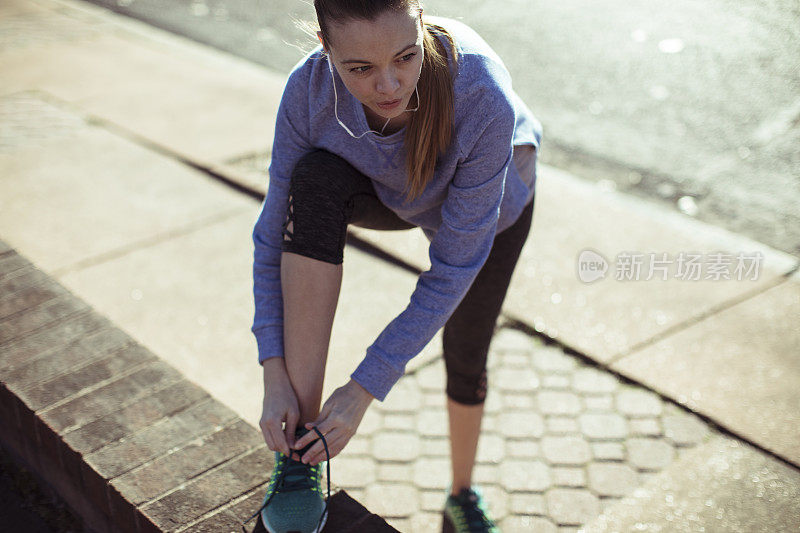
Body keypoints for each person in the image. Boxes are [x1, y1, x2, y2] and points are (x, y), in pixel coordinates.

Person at [246, 1, 542, 532]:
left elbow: (452, 266)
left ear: (422, 20)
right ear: (325, 45)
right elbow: (273, 233)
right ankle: (300, 455)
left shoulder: (480, 95)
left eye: (406, 57)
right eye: (359, 68)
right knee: (312, 180)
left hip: (494, 214)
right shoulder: (309, 90)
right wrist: (273, 369)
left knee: (467, 352)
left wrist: (363, 388)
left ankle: (462, 495)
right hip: (384, 191)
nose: (388, 85)